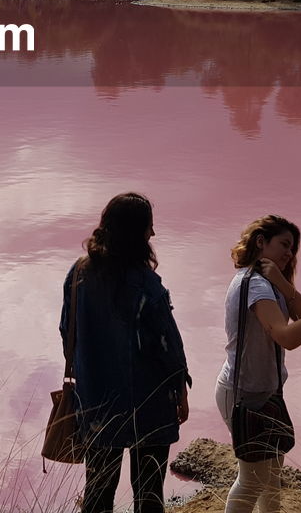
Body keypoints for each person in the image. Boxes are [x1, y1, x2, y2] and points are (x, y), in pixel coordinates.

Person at [60, 193, 190, 513]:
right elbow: (167, 345)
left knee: (98, 490)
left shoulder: (79, 274)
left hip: (98, 400)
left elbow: (67, 331)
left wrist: (88, 367)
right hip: (150, 401)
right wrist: (179, 390)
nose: (153, 234)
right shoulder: (145, 283)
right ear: (137, 232)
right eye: (149, 227)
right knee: (148, 493)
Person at [216, 216, 301, 513]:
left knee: (272, 477)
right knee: (252, 480)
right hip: (242, 395)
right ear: (260, 242)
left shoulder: (269, 282)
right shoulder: (255, 285)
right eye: (284, 244)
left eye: (292, 248)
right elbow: (287, 338)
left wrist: (283, 282)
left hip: (264, 392)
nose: (289, 253)